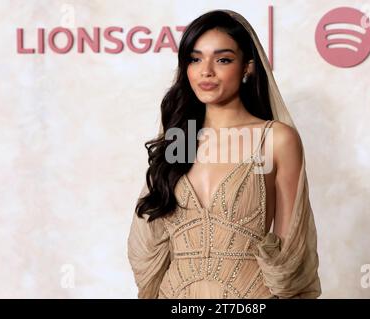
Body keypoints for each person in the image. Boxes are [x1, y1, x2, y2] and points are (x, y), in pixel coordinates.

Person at [127, 9, 321, 299]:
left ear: (248, 67)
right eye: (195, 59)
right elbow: (149, 249)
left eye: (223, 59)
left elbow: (289, 255)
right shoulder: (179, 139)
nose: (206, 70)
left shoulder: (276, 140)